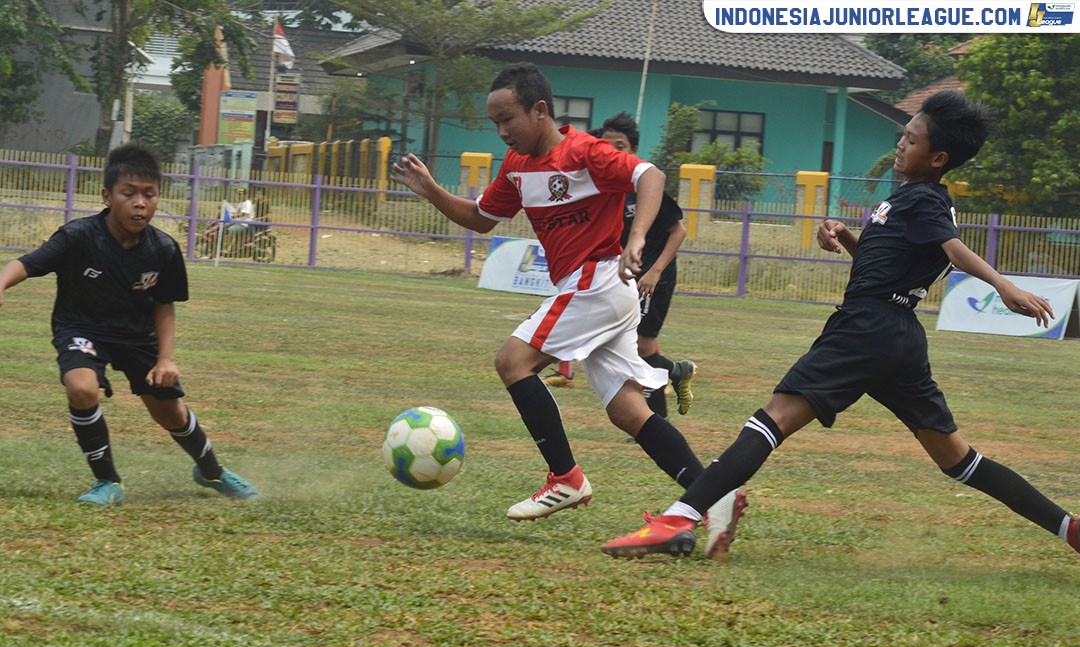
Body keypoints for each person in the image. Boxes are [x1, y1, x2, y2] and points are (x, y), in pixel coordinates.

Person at [601, 90, 1079, 560]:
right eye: (904, 135)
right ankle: (1069, 528)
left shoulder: (928, 201)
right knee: (958, 459)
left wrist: (1003, 286)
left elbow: (953, 249)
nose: (901, 144)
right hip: (895, 334)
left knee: (772, 419)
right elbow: (887, 266)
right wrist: (847, 235)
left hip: (867, 327)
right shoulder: (912, 198)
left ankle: (678, 520)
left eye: (912, 141)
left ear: (938, 158)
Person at [392, 63, 743, 545]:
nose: (501, 132)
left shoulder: (585, 151)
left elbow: (652, 176)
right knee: (628, 412)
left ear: (540, 110)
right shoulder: (516, 166)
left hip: (597, 280)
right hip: (597, 290)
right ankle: (713, 498)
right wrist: (432, 190)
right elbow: (481, 218)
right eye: (494, 122)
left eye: (507, 119)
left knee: (512, 361)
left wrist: (636, 237)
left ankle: (566, 479)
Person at [0, 141, 259, 506]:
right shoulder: (78, 236)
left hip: (137, 336)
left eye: (149, 194)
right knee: (81, 387)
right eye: (129, 193)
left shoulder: (163, 250)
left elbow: (164, 305)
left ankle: (212, 471)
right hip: (82, 329)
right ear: (108, 196)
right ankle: (108, 482)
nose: (140, 202)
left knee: (169, 412)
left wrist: (166, 359)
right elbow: (27, 263)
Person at [593, 112, 697, 418]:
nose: (612, 152)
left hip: (654, 276)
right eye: (605, 146)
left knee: (641, 344)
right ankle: (674, 378)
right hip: (627, 276)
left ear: (633, 150)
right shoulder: (604, 189)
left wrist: (655, 271)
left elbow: (678, 230)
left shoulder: (646, 186)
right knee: (632, 346)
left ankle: (660, 408)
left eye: (620, 146)